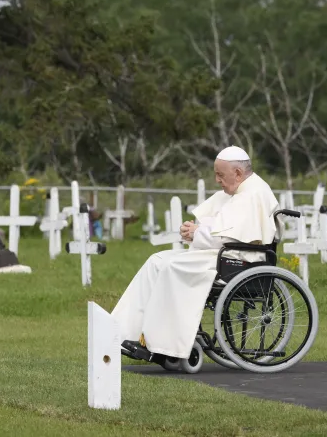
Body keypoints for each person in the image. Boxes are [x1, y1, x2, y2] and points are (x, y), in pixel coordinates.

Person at [111, 146, 280, 363]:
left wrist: (197, 233)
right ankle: (120, 332)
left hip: (240, 260)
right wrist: (194, 230)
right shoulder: (239, 191)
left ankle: (161, 345)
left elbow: (232, 237)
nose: (217, 180)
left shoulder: (253, 193)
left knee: (173, 267)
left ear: (237, 173)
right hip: (224, 254)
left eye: (220, 174)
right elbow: (221, 227)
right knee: (158, 260)